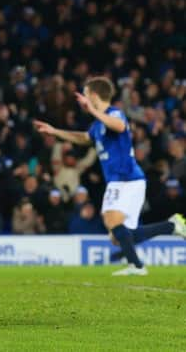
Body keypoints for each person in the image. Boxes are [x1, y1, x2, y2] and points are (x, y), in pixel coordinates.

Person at [34, 76, 186, 276]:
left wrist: (93, 110)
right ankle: (171, 226)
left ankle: (137, 266)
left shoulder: (114, 113)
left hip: (126, 178)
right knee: (119, 236)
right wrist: (55, 132)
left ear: (94, 96)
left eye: (86, 94)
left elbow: (120, 127)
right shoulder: (97, 125)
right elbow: (84, 138)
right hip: (122, 181)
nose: (83, 99)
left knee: (111, 221)